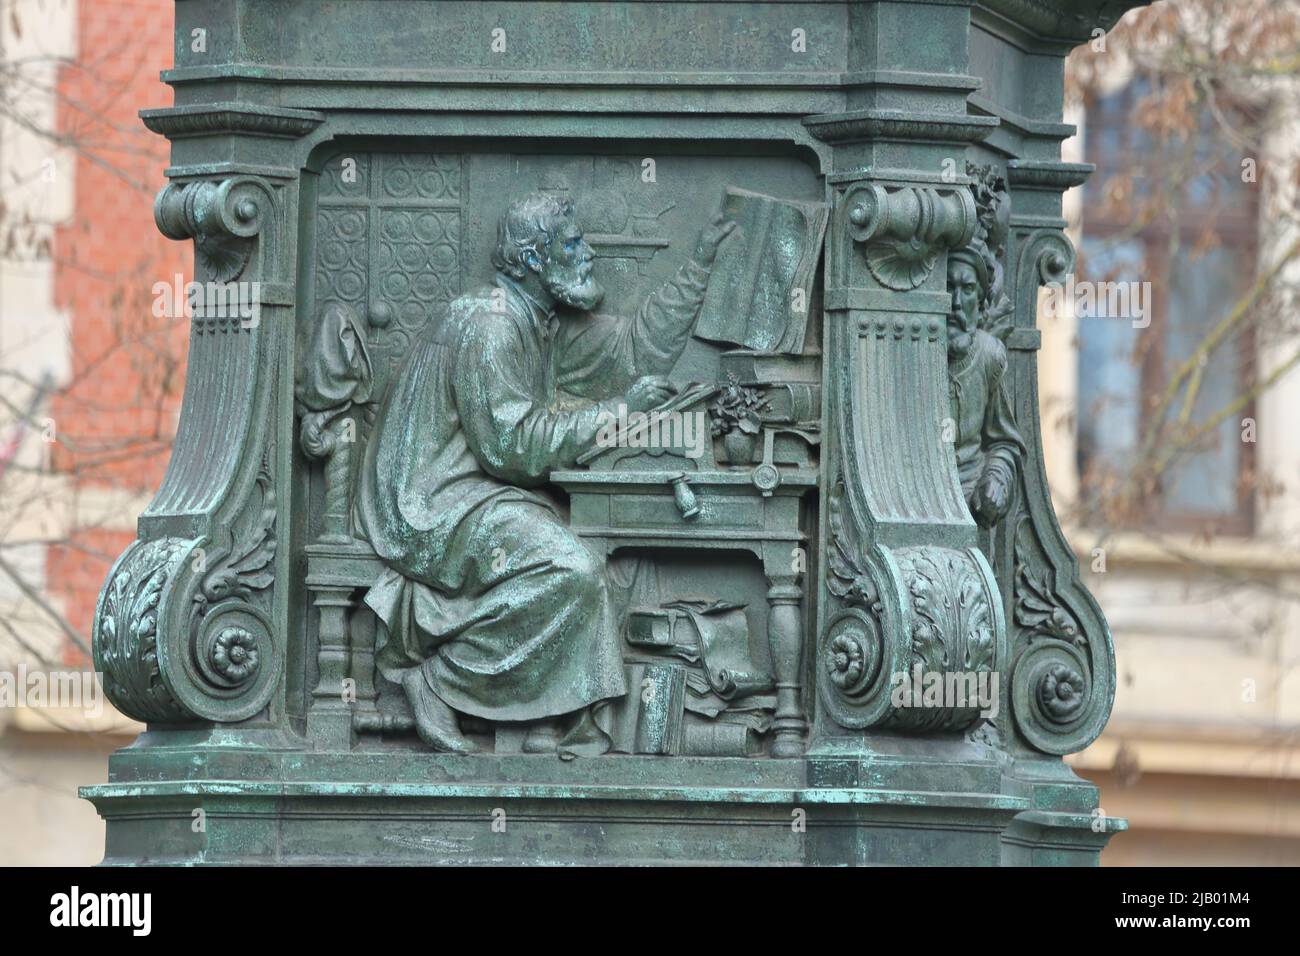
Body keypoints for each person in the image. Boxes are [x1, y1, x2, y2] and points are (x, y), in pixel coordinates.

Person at [356, 192, 736, 754]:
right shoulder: (492, 325)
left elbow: (634, 350)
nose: (588, 253)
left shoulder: (542, 322)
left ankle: (543, 721)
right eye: (574, 242)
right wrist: (619, 413)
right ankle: (438, 680)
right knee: (574, 569)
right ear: (535, 261)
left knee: (611, 563)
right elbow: (512, 446)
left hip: (479, 491)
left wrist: (701, 262)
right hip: (431, 504)